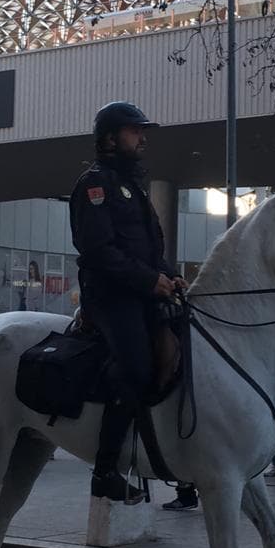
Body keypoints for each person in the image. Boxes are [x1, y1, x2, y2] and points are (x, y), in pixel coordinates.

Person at [69, 100, 183, 502]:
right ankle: (104, 472)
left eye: (142, 131)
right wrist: (151, 281)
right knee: (135, 367)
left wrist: (168, 274)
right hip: (111, 296)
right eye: (135, 131)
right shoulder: (94, 185)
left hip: (142, 291)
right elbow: (99, 251)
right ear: (111, 138)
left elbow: (148, 247)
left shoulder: (133, 186)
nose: (142, 137)